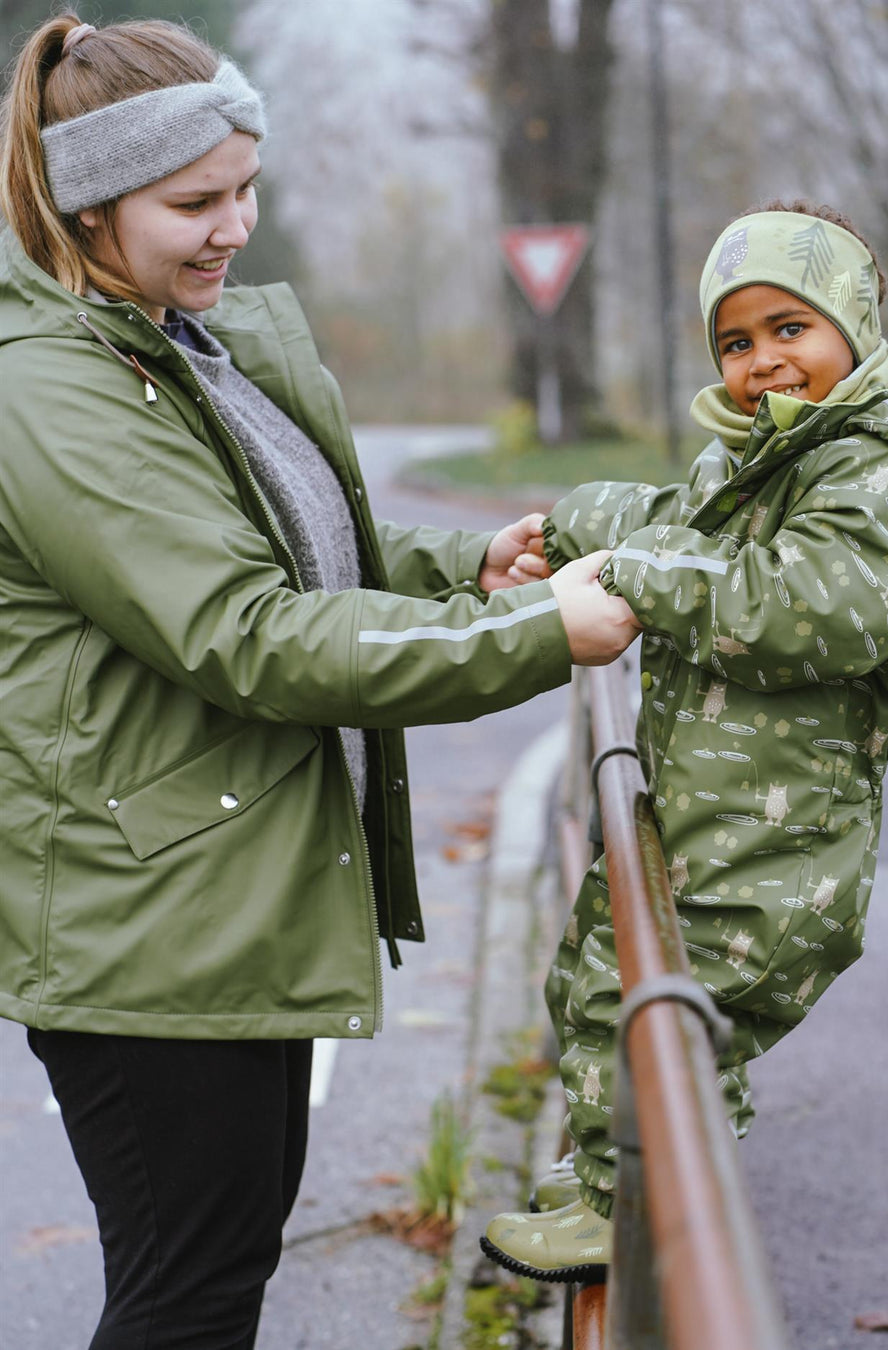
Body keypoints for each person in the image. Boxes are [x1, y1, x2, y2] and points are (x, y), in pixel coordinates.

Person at [0, 13, 641, 1347]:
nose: (233, 226)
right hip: (154, 932)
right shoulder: (55, 391)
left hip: (211, 899)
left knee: (208, 1281)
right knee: (189, 1295)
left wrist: (469, 564)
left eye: (246, 190)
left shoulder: (167, 341)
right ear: (88, 206)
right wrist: (538, 638)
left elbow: (295, 540)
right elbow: (251, 629)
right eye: (194, 201)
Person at [481, 200, 888, 1281]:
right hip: (720, 820)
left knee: (649, 1006)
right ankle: (630, 1179)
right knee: (606, 974)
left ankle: (631, 1214)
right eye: (736, 342)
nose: (765, 362)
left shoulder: (866, 472)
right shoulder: (772, 456)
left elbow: (809, 602)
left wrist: (630, 578)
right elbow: (685, 519)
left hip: (780, 844)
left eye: (789, 328)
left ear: (852, 321)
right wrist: (585, 520)